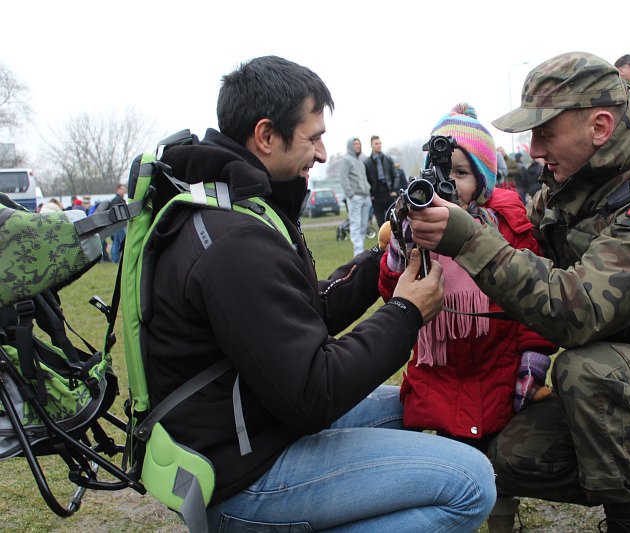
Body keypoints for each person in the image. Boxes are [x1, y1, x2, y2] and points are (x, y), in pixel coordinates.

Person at [407, 52, 630, 532]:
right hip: (625, 371)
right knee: (509, 456)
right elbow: (522, 236)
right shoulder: (576, 185)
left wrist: (469, 238)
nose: (533, 149)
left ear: (599, 126)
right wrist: (467, 214)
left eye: (545, 133)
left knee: (586, 370)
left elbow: (576, 312)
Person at [145, 55, 496, 531]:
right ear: (266, 136)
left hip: (258, 428)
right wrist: (406, 312)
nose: (324, 153)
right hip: (242, 474)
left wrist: (382, 255)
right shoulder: (232, 241)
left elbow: (301, 314)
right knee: (471, 484)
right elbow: (314, 391)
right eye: (313, 137)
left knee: (417, 402)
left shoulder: (235, 210)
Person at [378, 103, 557, 532]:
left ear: (483, 178)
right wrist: (399, 253)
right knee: (451, 461)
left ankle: (502, 520)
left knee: (500, 462)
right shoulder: (418, 228)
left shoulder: (508, 227)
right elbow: (392, 297)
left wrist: (534, 355)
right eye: (440, 172)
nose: (450, 182)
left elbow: (532, 297)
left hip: (497, 364)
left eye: (461, 172)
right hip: (441, 369)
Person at [338, 137, 372, 255]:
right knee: (355, 225)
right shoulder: (346, 160)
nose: (358, 146)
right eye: (355, 144)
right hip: (355, 197)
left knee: (363, 225)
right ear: (350, 146)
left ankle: (361, 250)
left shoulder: (360, 160)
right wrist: (351, 195)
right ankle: (358, 253)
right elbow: (343, 178)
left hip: (365, 196)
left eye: (359, 144)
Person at [363, 135, 397, 225]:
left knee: (393, 220)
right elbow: (365, 179)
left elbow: (395, 175)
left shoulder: (388, 159)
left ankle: (394, 239)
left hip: (388, 192)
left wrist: (394, 190)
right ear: (371, 145)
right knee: (380, 222)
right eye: (376, 143)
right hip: (376, 195)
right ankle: (383, 238)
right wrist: (370, 194)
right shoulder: (367, 162)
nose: (379, 145)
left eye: (380, 143)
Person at [109, 183, 128, 263]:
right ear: (118, 189)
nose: (124, 191)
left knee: (116, 243)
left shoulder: (118, 199)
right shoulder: (116, 200)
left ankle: (115, 258)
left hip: (119, 224)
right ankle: (118, 259)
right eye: (123, 189)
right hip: (119, 224)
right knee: (123, 241)